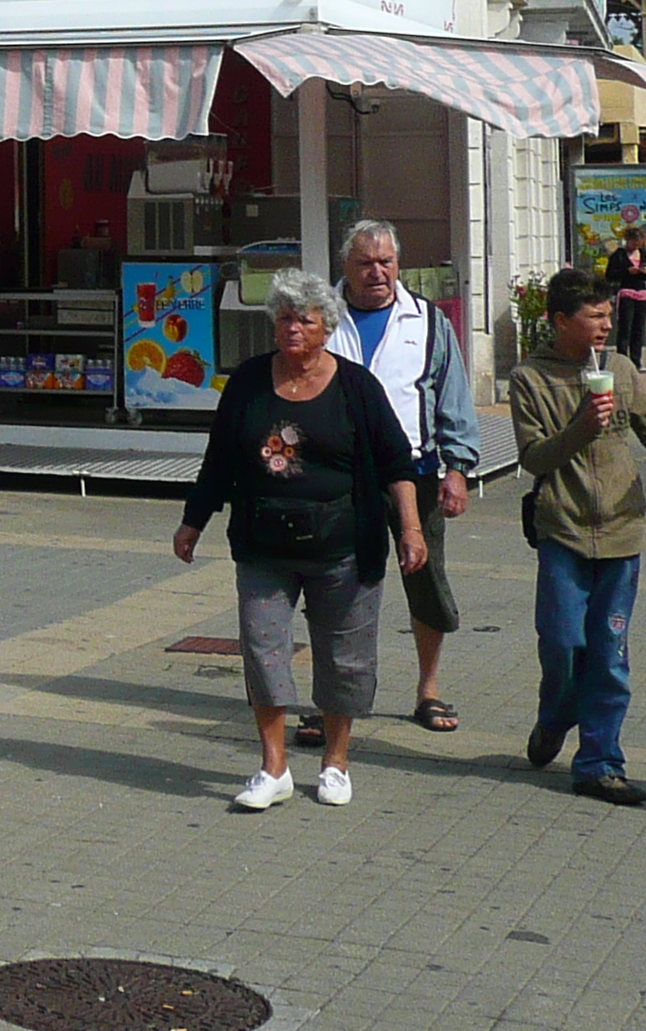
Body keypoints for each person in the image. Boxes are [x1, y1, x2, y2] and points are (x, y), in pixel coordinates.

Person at [175, 270, 426, 811]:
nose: (292, 328)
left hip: (343, 546)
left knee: (345, 658)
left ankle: (335, 762)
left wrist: (409, 527)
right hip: (264, 544)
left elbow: (394, 463)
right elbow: (219, 459)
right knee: (263, 649)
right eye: (284, 318)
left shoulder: (357, 387)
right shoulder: (247, 382)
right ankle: (274, 767)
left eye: (304, 319)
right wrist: (194, 520)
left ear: (327, 328)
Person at [510, 267, 646, 804]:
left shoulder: (621, 369)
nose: (606, 324)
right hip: (563, 529)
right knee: (562, 643)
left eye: (609, 314)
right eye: (594, 316)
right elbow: (535, 457)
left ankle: (600, 761)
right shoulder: (530, 379)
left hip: (622, 533)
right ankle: (555, 715)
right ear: (560, 321)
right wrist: (582, 425)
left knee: (609, 652)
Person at [324, 219, 478, 733]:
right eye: (365, 263)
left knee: (427, 582)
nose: (377, 273)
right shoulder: (320, 318)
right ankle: (335, 701)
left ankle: (428, 690)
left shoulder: (428, 320)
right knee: (336, 586)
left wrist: (458, 468)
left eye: (386, 262)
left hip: (416, 474)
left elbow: (452, 396)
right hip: (339, 477)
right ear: (345, 266)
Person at [600, 225, 646, 368]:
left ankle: (636, 361)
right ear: (627, 240)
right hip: (626, 292)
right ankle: (622, 360)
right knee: (625, 327)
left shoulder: (643, 253)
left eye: (638, 243)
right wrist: (627, 271)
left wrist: (645, 272)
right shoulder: (619, 254)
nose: (635, 246)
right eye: (633, 243)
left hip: (641, 293)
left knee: (638, 328)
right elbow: (610, 274)